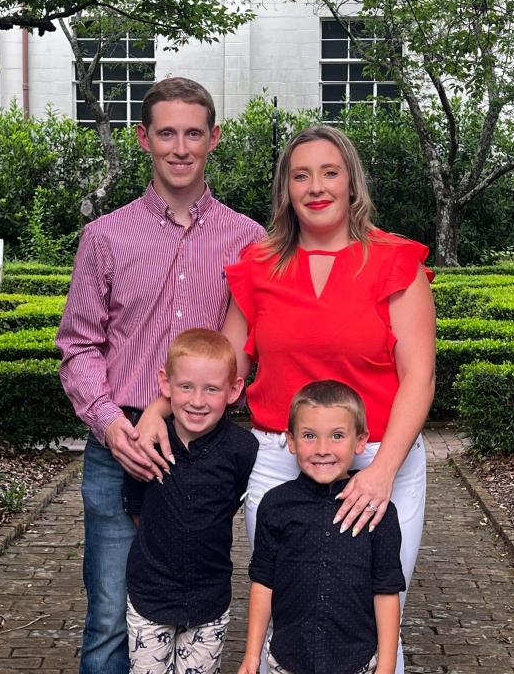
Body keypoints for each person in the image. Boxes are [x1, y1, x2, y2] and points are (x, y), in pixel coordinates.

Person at [137, 124, 435, 674]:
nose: (315, 187)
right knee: (284, 606)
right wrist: (159, 408)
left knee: (373, 609)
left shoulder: (397, 264)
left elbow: (419, 378)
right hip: (279, 458)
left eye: (329, 172)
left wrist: (382, 472)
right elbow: (223, 370)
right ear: (286, 188)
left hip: (377, 459)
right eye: (301, 175)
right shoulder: (258, 265)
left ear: (351, 184)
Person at [55, 77, 265, 674]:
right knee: (108, 619)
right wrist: (107, 424)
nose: (180, 147)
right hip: (117, 440)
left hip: (199, 446)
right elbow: (78, 344)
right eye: (166, 133)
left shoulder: (245, 241)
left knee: (190, 612)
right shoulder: (105, 237)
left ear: (213, 139)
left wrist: (168, 409)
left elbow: (235, 352)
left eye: (193, 133)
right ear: (144, 138)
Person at [238, 380, 404, 674]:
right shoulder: (275, 506)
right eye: (309, 436)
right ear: (291, 440)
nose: (323, 449)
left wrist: (387, 666)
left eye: (337, 436)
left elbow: (387, 590)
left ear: (361, 440)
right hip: (288, 660)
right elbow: (263, 582)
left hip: (355, 663)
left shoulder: (378, 513)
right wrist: (252, 655)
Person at [122, 327, 257, 674]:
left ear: (233, 390)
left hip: (209, 599)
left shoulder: (243, 450)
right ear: (165, 385)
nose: (197, 401)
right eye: (186, 387)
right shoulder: (148, 442)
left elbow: (231, 502)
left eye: (212, 389)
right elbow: (136, 505)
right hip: (150, 596)